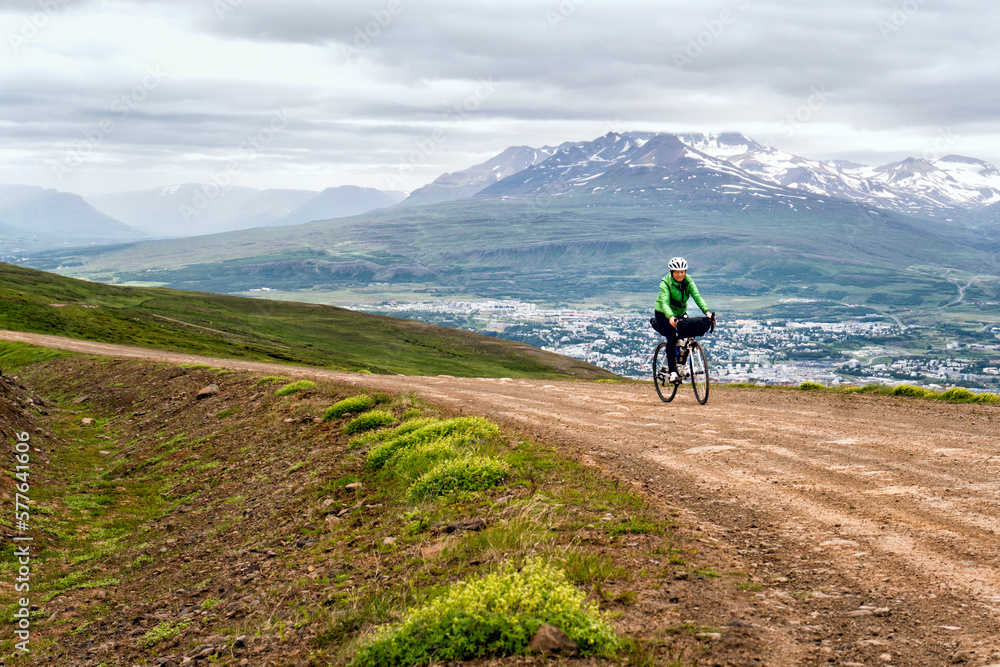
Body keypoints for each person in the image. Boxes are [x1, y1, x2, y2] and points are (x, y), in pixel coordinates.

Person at [653, 257, 714, 383]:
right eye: (677, 272)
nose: (680, 274)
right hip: (663, 314)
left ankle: (683, 362)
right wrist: (670, 316)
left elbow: (697, 296)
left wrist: (707, 311)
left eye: (682, 272)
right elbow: (664, 302)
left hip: (680, 313)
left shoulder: (688, 281)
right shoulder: (665, 283)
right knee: (672, 337)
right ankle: (673, 372)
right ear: (671, 272)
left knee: (689, 331)